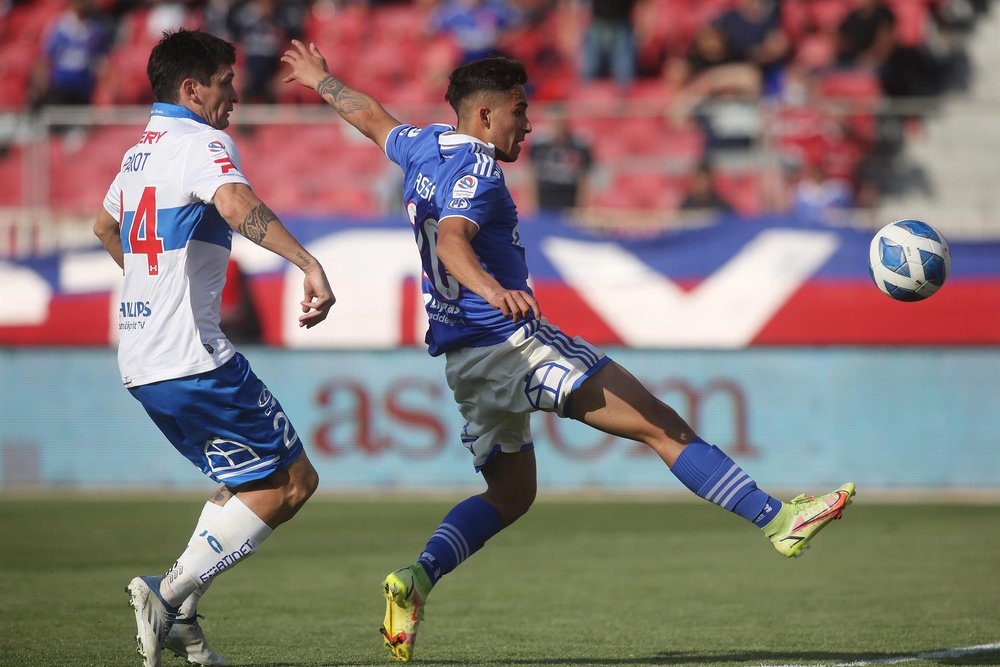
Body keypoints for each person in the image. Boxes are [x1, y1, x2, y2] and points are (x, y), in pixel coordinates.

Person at [282, 41, 855, 663]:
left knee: (511, 496)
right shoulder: (478, 170)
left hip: (462, 360)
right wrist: (496, 290)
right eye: (519, 111)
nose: (528, 125)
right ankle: (778, 521)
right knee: (662, 426)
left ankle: (415, 580)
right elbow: (451, 243)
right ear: (484, 116)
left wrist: (322, 81)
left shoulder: (422, 145)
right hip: (512, 346)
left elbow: (370, 116)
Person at [93, 29, 334, 667]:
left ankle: (184, 622)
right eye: (226, 83)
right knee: (292, 483)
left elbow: (105, 225)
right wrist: (307, 263)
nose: (235, 96)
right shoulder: (201, 142)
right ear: (191, 88)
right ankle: (167, 594)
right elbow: (235, 204)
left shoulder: (137, 155)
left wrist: (149, 287)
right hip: (192, 356)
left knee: (241, 482)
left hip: (142, 359)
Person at [528, 112, 592, 213]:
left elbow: (584, 180)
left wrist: (581, 209)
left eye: (560, 123)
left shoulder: (578, 147)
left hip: (569, 201)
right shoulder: (539, 146)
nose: (557, 128)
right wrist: (531, 207)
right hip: (544, 201)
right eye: (554, 124)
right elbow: (531, 177)